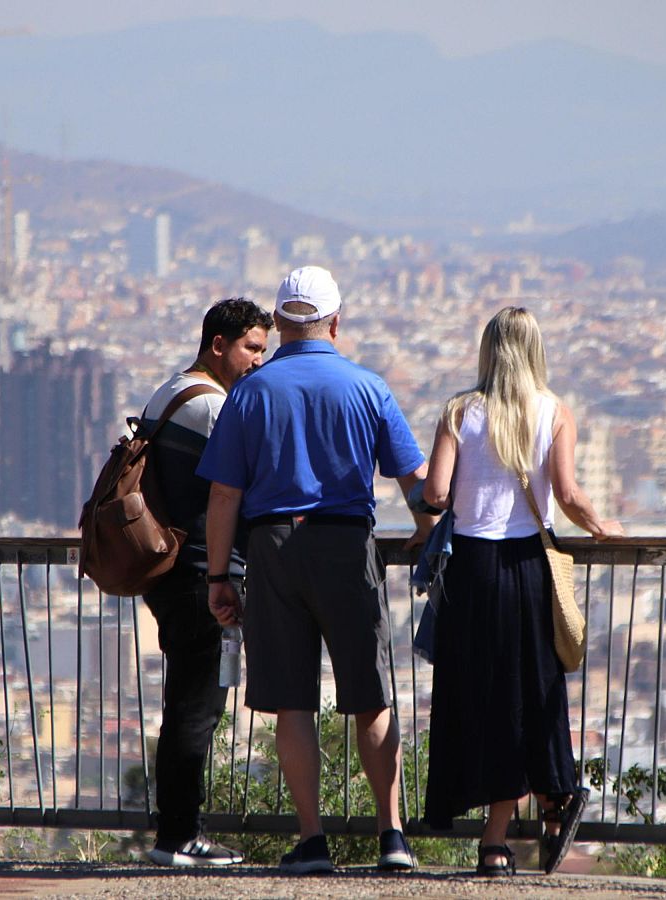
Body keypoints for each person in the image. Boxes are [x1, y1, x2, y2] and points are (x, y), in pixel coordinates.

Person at [198, 266, 433, 875]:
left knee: (292, 702)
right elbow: (417, 485)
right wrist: (430, 533)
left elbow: (224, 495)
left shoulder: (251, 392)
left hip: (273, 545)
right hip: (347, 544)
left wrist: (218, 577)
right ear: (336, 320)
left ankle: (312, 841)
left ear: (277, 323)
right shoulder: (367, 387)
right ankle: (392, 837)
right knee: (370, 696)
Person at [418, 307, 624, 876]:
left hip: (472, 570)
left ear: (487, 350)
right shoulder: (554, 411)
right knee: (532, 689)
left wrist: (438, 507)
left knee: (476, 693)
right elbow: (568, 492)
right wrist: (604, 528)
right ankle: (543, 804)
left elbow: (436, 492)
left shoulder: (460, 411)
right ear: (536, 350)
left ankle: (501, 835)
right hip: (530, 566)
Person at [140, 298, 272, 867]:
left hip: (169, 572)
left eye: (264, 350)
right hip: (202, 574)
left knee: (185, 705)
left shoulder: (168, 392)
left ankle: (176, 829)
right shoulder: (215, 406)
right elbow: (244, 485)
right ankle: (180, 835)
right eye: (251, 348)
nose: (257, 362)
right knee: (198, 709)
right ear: (218, 344)